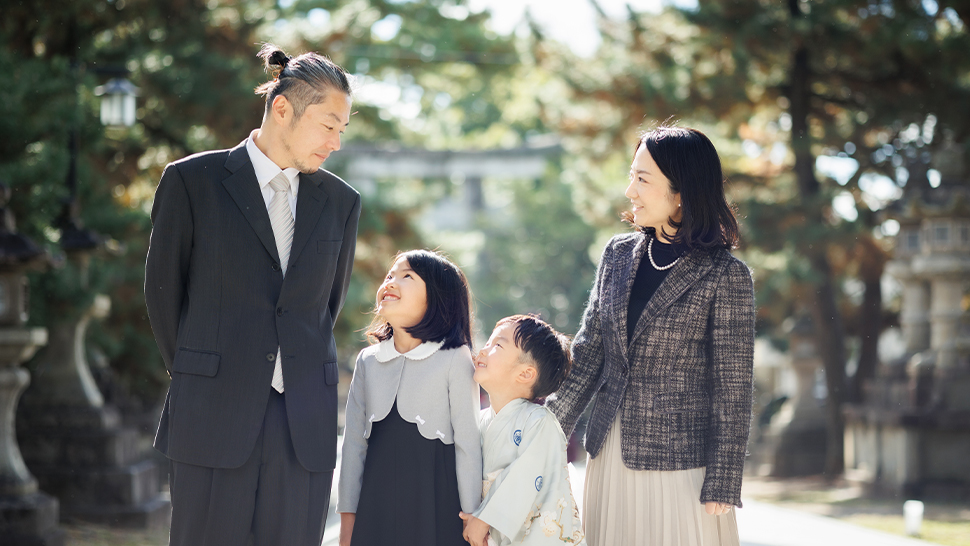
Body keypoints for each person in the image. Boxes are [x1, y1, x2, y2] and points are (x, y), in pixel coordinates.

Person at [144, 44, 359, 546]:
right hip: (211, 418)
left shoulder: (341, 203)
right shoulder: (190, 182)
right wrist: (209, 374)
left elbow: (326, 307)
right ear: (283, 109)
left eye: (342, 130)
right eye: (329, 125)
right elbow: (163, 296)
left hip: (303, 429)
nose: (336, 142)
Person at [548, 125, 755, 546]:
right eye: (632, 175)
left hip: (683, 467)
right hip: (608, 454)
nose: (630, 190)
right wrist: (545, 428)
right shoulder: (617, 255)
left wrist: (723, 477)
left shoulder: (726, 276)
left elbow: (732, 387)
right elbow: (589, 354)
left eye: (642, 179)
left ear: (681, 191)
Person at [337, 249, 482, 546]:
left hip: (437, 512)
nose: (390, 282)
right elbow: (353, 446)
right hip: (375, 511)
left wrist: (473, 517)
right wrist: (348, 524)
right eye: (390, 275)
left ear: (438, 297)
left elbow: (469, 444)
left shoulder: (456, 357)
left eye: (407, 276)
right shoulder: (368, 360)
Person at [460, 314, 586, 546]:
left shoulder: (539, 422)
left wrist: (485, 519)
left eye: (497, 345)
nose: (484, 350)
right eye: (487, 342)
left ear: (525, 374)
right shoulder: (479, 419)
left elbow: (525, 476)